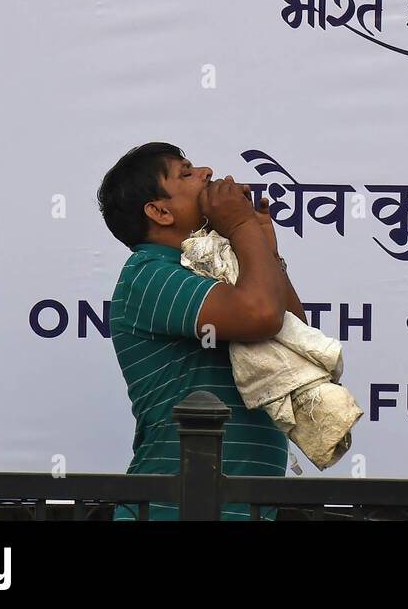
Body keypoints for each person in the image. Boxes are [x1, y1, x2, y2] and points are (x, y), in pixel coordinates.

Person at [96, 142, 305, 520]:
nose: (207, 172)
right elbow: (261, 315)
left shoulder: (210, 268)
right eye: (186, 172)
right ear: (159, 212)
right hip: (173, 512)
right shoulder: (150, 275)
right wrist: (240, 226)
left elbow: (295, 345)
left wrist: (263, 245)